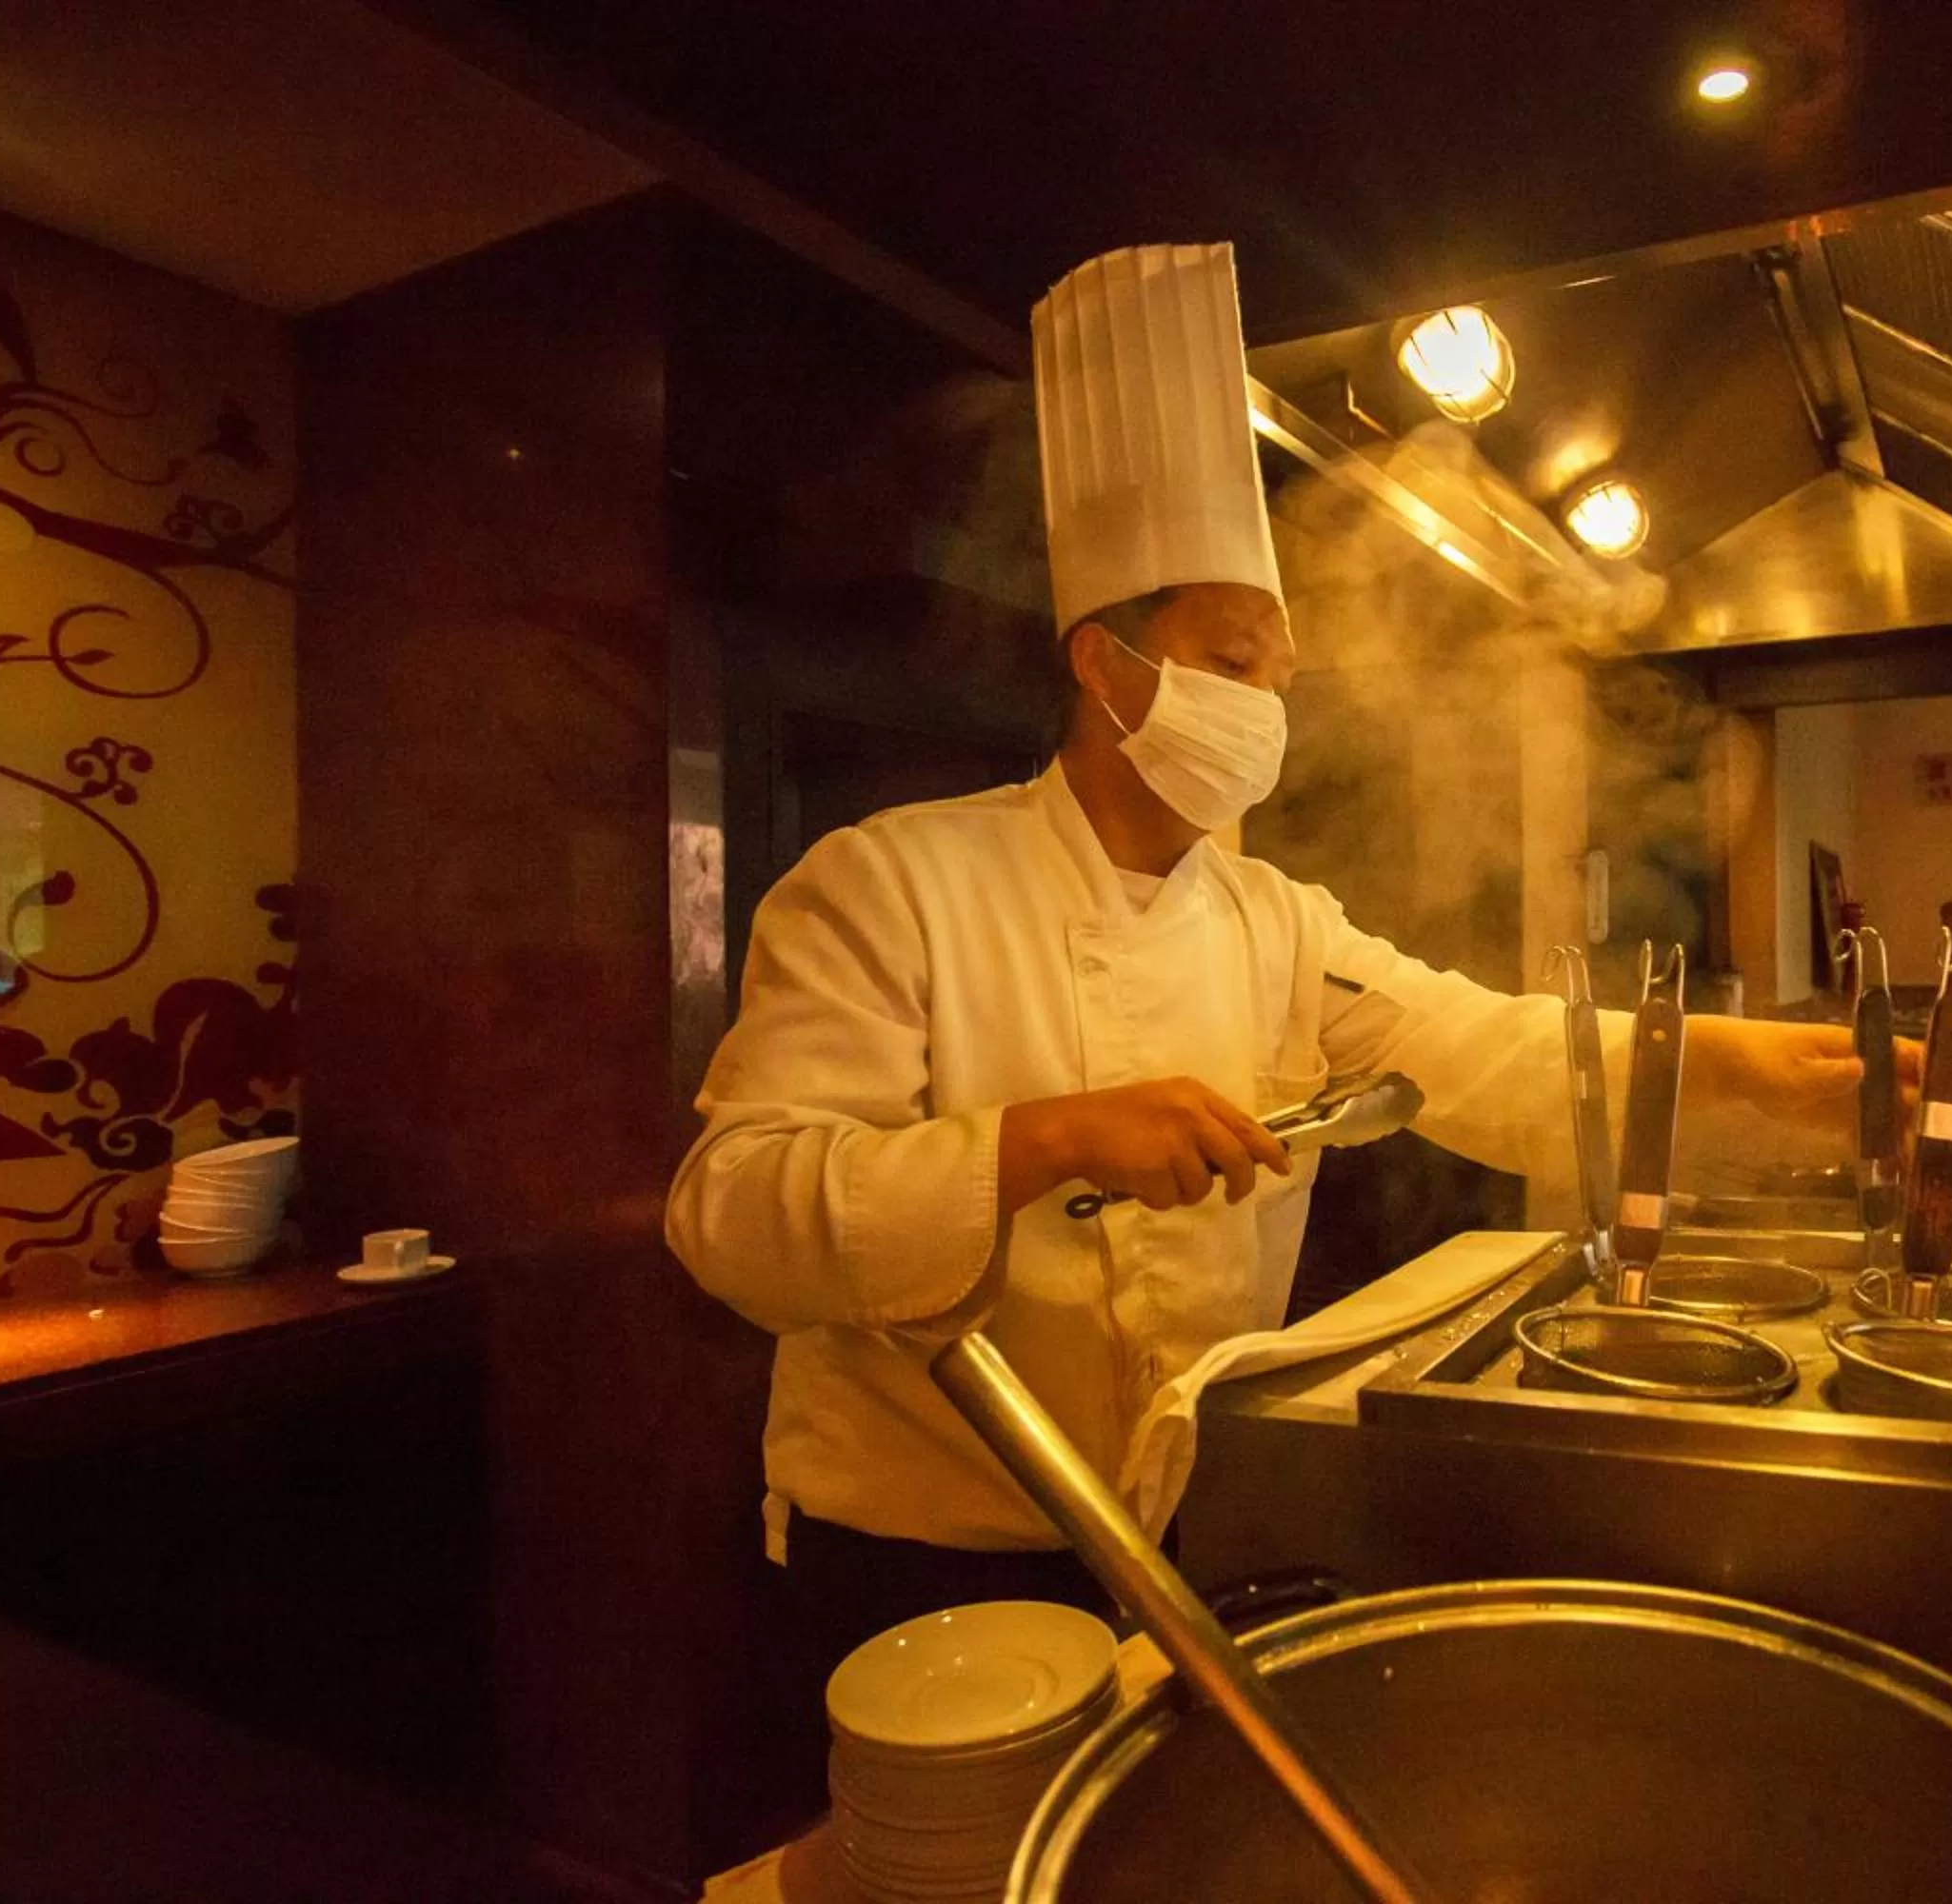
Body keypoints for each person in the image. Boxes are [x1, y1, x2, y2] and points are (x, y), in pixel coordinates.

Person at [665, 243, 1879, 1680]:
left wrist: (1761, 1073)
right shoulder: (888, 882)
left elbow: (1484, 1051)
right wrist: (1046, 1139)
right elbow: (729, 1214)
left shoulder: (1274, 920)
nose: (1265, 708)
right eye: (1231, 663)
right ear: (1104, 665)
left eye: (1278, 678)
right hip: (924, 1559)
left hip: (1178, 1531)